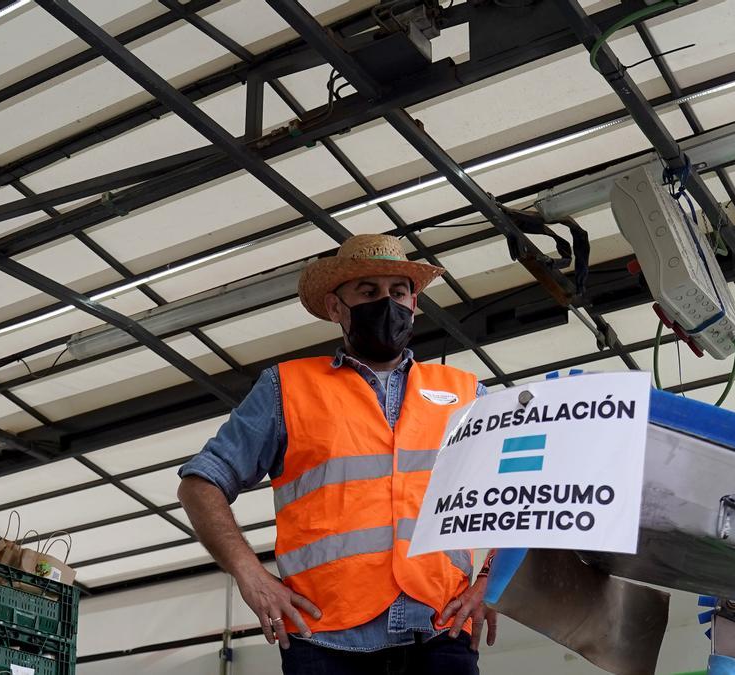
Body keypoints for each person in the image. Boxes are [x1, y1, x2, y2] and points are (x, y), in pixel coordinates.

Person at [177, 234, 498, 674]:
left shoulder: (464, 392)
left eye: (398, 291)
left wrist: (492, 580)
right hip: (326, 642)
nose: (386, 303)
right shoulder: (285, 388)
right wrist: (249, 576)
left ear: (414, 302)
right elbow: (200, 483)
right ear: (335, 308)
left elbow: (519, 488)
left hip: (439, 633)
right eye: (368, 292)